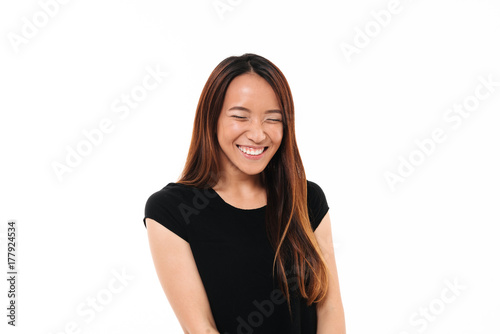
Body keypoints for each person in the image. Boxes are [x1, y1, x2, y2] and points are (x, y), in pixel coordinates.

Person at [142, 53, 345, 334]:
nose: (258, 134)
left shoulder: (307, 199)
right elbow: (201, 328)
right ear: (211, 118)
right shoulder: (171, 211)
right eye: (240, 117)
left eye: (273, 119)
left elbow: (330, 310)